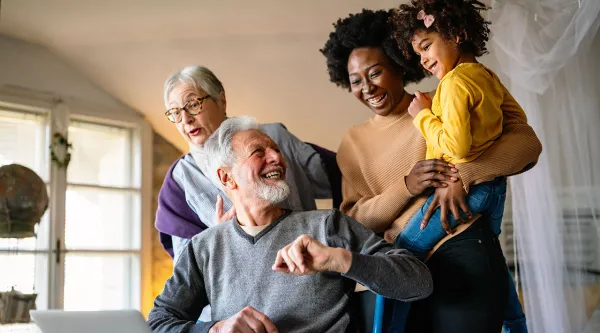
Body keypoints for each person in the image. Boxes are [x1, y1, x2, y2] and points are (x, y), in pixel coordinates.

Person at [320, 8, 542, 333]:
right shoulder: (352, 143)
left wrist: (462, 175)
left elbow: (527, 144)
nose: (366, 87)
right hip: (397, 272)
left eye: (376, 72)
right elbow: (353, 222)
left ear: (398, 66)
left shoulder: (438, 103)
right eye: (355, 80)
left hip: (461, 254)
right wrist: (406, 186)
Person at [147, 116, 433, 333]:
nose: (276, 158)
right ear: (226, 178)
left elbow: (418, 282)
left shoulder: (326, 226)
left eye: (276, 150)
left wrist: (340, 260)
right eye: (259, 152)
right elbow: (159, 322)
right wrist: (215, 329)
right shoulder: (204, 247)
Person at [391, 1, 530, 332]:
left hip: (473, 192)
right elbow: (517, 120)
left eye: (426, 46)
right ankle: (515, 325)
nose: (423, 59)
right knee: (493, 258)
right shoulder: (486, 75)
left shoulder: (453, 83)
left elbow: (456, 147)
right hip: (495, 189)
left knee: (399, 253)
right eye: (418, 53)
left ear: (458, 34)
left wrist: (422, 115)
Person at [155, 66, 341, 261]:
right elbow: (186, 270)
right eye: (175, 112)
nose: (185, 119)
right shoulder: (180, 181)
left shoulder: (274, 138)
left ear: (222, 100)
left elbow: (344, 178)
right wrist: (218, 239)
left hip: (312, 268)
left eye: (193, 104)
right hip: (245, 286)